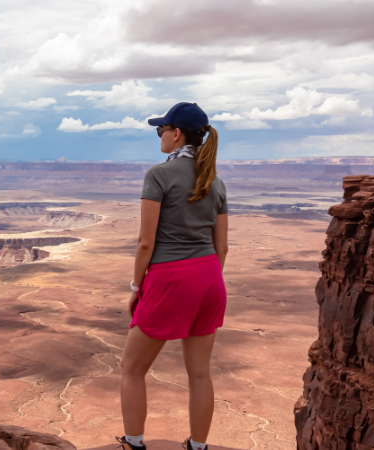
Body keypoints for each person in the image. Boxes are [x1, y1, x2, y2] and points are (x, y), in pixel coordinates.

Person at [116, 102, 228, 450]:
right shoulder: (216, 181)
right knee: (199, 374)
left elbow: (146, 242)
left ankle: (133, 443)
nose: (160, 135)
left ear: (176, 133)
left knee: (132, 369)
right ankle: (198, 446)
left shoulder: (159, 176)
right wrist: (203, 281)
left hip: (170, 279)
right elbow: (221, 247)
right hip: (210, 277)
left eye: (161, 130)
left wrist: (138, 287)